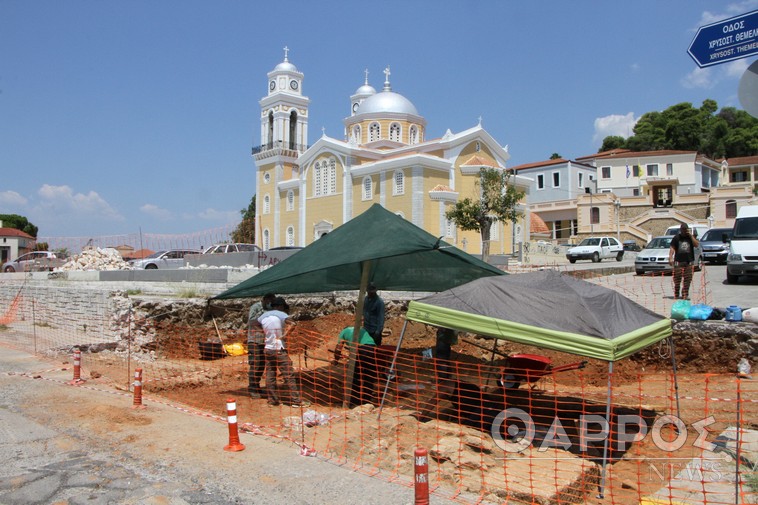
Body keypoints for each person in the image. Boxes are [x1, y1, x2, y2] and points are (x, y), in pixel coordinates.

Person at [259, 297, 309, 408]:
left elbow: (257, 328)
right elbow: (293, 324)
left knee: (270, 375)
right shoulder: (280, 314)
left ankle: (272, 400)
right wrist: (285, 336)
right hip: (279, 349)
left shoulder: (262, 316)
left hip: (268, 349)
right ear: (280, 306)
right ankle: (296, 401)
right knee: (288, 375)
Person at [332, 326, 377, 406]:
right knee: (369, 376)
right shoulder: (360, 328)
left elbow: (339, 348)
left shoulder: (343, 332)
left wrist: (336, 360)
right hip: (373, 349)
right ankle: (366, 401)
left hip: (361, 349)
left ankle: (354, 401)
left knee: (355, 376)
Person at [246, 293, 275, 399]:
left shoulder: (270, 309)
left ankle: (257, 386)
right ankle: (252, 388)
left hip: (264, 341)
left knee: (261, 365)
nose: (270, 304)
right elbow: (251, 321)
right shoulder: (256, 307)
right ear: (264, 299)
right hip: (254, 340)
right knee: (255, 364)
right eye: (269, 301)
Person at [669, 223, 700, 300]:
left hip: (689, 262)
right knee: (677, 279)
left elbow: (696, 245)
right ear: (680, 229)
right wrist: (670, 257)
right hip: (678, 262)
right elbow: (672, 247)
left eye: (685, 229)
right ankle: (676, 293)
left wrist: (691, 236)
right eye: (683, 229)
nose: (684, 231)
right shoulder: (676, 238)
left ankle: (685, 294)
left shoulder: (690, 237)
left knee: (687, 279)